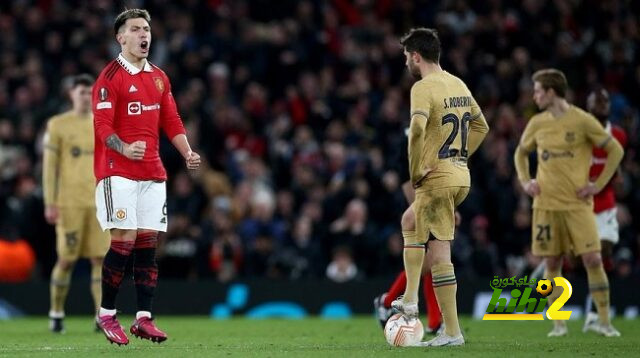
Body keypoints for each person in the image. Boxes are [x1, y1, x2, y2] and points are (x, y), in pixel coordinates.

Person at [92, 9, 200, 346]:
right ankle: (107, 313)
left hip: (152, 172)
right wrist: (124, 148)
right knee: (122, 240)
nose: (144, 35)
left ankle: (143, 318)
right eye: (136, 29)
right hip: (117, 172)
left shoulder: (159, 77)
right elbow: (101, 128)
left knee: (147, 246)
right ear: (120, 38)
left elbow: (172, 119)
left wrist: (187, 153)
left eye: (147, 30)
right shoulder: (110, 78)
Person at [391, 28, 489, 347]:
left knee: (439, 249)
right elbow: (481, 126)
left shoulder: (423, 87)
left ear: (416, 56)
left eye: (407, 57)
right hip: (459, 176)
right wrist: (459, 156)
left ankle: (434, 319)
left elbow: (417, 128)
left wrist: (417, 167)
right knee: (412, 224)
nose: (406, 62)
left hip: (437, 178)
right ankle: (422, 309)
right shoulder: (457, 83)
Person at [514, 69, 623, 338]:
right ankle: (558, 325)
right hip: (546, 206)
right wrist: (526, 181)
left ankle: (605, 323)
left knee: (593, 258)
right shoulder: (537, 123)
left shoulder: (583, 120)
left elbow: (615, 150)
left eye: (538, 90)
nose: (535, 95)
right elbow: (520, 152)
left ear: (551, 92)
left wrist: (597, 186)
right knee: (551, 263)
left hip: (577, 206)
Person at [43, 74, 110, 333]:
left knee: (99, 259)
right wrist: (50, 202)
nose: (85, 97)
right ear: (71, 94)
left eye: (89, 92)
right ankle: (56, 313)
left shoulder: (103, 124)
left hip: (98, 203)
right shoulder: (58, 125)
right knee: (66, 260)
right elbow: (50, 170)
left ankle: (100, 317)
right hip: (69, 204)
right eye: (81, 92)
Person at [583, 88, 627, 333]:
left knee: (603, 251)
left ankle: (595, 313)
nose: (601, 104)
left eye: (604, 101)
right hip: (580, 203)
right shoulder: (579, 135)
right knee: (583, 260)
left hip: (605, 203)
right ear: (588, 106)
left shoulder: (618, 135)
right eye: (595, 100)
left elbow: (616, 167)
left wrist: (618, 177)